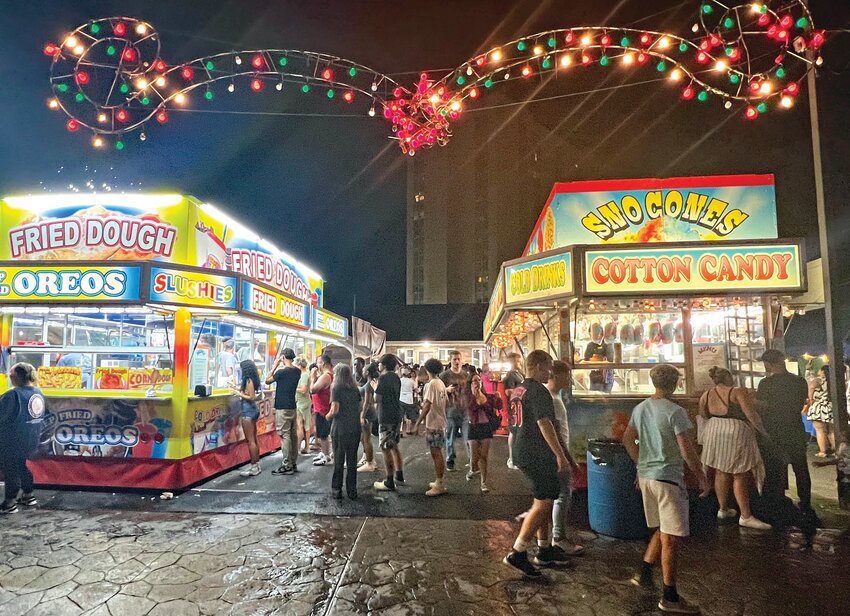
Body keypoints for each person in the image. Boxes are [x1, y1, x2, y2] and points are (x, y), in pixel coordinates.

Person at [622, 364, 709, 615]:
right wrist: (701, 475)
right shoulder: (676, 412)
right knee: (671, 538)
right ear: (675, 383)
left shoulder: (640, 408)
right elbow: (686, 449)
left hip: (648, 478)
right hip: (668, 478)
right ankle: (669, 597)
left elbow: (628, 438)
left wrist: (640, 464)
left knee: (663, 528)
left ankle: (645, 571)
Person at [503, 350, 572, 578]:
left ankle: (544, 548)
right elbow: (545, 425)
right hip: (537, 453)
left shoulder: (518, 390)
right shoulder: (539, 391)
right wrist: (561, 456)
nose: (550, 372)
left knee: (546, 499)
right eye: (548, 367)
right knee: (543, 504)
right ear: (539, 366)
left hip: (522, 450)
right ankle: (518, 551)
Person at [699, 366, 771, 530]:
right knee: (739, 473)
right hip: (735, 432)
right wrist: (763, 432)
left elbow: (702, 415)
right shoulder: (737, 391)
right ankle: (745, 516)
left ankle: (723, 509)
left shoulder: (706, 394)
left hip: (714, 431)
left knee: (720, 471)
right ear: (728, 378)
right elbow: (751, 414)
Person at [756, 349, 813, 513]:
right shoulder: (800, 381)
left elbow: (762, 406)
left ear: (768, 364)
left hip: (773, 430)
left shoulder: (765, 384)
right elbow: (802, 402)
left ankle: (774, 502)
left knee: (773, 467)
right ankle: (805, 502)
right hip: (795, 427)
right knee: (800, 467)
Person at [547, 361, 585, 555]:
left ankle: (554, 537)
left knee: (556, 496)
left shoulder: (555, 396)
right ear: (556, 375)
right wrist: (567, 458)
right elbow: (556, 434)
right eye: (567, 375)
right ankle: (558, 537)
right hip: (557, 457)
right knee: (563, 495)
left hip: (556, 455)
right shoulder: (552, 399)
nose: (570, 379)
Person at [0, 363, 46, 514]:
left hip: (13, 439)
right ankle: (28, 495)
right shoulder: (37, 392)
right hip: (31, 438)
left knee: (10, 469)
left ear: (17, 377)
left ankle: (10, 503)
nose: (10, 378)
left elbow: (3, 417)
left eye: (11, 375)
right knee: (21, 465)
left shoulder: (13, 395)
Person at [327, 364, 363, 499]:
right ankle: (352, 490)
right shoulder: (355, 389)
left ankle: (337, 489)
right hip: (354, 427)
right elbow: (360, 407)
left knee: (339, 459)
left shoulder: (336, 388)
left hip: (340, 427)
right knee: (352, 460)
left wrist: (328, 416)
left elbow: (334, 409)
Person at [414, 358, 449, 496]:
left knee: (436, 453)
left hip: (434, 423)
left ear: (427, 369)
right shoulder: (440, 383)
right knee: (437, 452)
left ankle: (439, 484)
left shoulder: (432, 384)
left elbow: (427, 404)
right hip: (440, 421)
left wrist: (417, 423)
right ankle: (438, 481)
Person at [267, 348, 302, 475]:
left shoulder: (281, 372)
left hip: (282, 407)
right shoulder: (297, 371)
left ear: (283, 357)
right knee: (293, 435)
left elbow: (267, 380)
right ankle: (293, 462)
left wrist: (275, 365)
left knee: (284, 435)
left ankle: (286, 464)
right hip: (292, 406)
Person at [466, 370, 501, 493]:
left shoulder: (488, 396)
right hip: (473, 427)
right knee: (474, 456)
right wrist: (475, 396)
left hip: (486, 427)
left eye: (479, 380)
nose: (477, 383)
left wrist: (498, 398)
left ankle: (483, 482)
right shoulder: (468, 397)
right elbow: (470, 408)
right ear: (470, 383)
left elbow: (498, 407)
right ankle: (471, 469)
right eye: (475, 381)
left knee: (484, 456)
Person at [374, 354, 405, 491]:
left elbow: (377, 398)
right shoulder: (396, 377)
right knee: (394, 446)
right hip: (396, 413)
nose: (378, 366)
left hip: (386, 415)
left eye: (379, 363)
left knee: (385, 448)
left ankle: (389, 481)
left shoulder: (383, 377)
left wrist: (375, 386)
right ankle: (399, 475)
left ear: (384, 365)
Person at [231, 359, 263, 477]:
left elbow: (251, 397)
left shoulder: (248, 380)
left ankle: (254, 466)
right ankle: (256, 464)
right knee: (253, 439)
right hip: (252, 411)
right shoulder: (251, 380)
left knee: (250, 441)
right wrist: (236, 388)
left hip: (248, 411)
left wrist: (238, 393)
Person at [441, 350, 469, 472]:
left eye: (458, 359)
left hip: (465, 410)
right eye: (454, 359)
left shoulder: (466, 375)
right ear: (450, 361)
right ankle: (450, 460)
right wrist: (446, 390)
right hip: (451, 411)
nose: (457, 361)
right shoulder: (445, 375)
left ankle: (472, 460)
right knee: (450, 438)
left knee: (468, 438)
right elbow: (438, 390)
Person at [806, 365, 835, 458]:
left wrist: (810, 400)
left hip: (818, 407)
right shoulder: (832, 380)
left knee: (820, 430)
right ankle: (836, 450)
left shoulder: (817, 380)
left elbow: (810, 389)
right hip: (829, 407)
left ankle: (823, 451)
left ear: (822, 371)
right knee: (831, 430)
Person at [310, 354, 334, 466]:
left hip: (323, 409)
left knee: (323, 434)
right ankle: (325, 452)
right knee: (323, 433)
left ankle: (326, 455)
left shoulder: (326, 376)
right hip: (322, 408)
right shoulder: (327, 375)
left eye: (318, 362)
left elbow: (313, 390)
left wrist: (312, 378)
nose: (317, 365)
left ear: (323, 363)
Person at [502, 352, 524, 470]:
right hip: (514, 408)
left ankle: (517, 457)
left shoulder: (519, 374)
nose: (520, 362)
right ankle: (511, 458)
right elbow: (508, 392)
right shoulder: (511, 376)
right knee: (513, 432)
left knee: (517, 432)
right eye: (517, 360)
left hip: (520, 407)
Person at [357, 362, 381, 473]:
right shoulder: (369, 383)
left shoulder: (369, 384)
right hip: (368, 412)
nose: (362, 371)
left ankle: (370, 463)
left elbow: (367, 402)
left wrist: (362, 415)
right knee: (364, 438)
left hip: (368, 413)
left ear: (367, 372)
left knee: (366, 438)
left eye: (363, 370)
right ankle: (368, 459)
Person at [294, 357, 313, 455]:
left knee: (300, 425)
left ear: (300, 365)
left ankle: (297, 448)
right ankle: (307, 446)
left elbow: (303, 390)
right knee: (306, 425)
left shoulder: (304, 375)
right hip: (304, 402)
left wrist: (294, 388)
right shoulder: (305, 374)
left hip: (302, 403)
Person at [400, 368, 418, 435]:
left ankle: (400, 430)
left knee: (401, 416)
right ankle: (408, 430)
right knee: (409, 416)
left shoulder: (400, 380)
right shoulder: (412, 381)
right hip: (409, 400)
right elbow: (417, 390)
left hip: (401, 399)